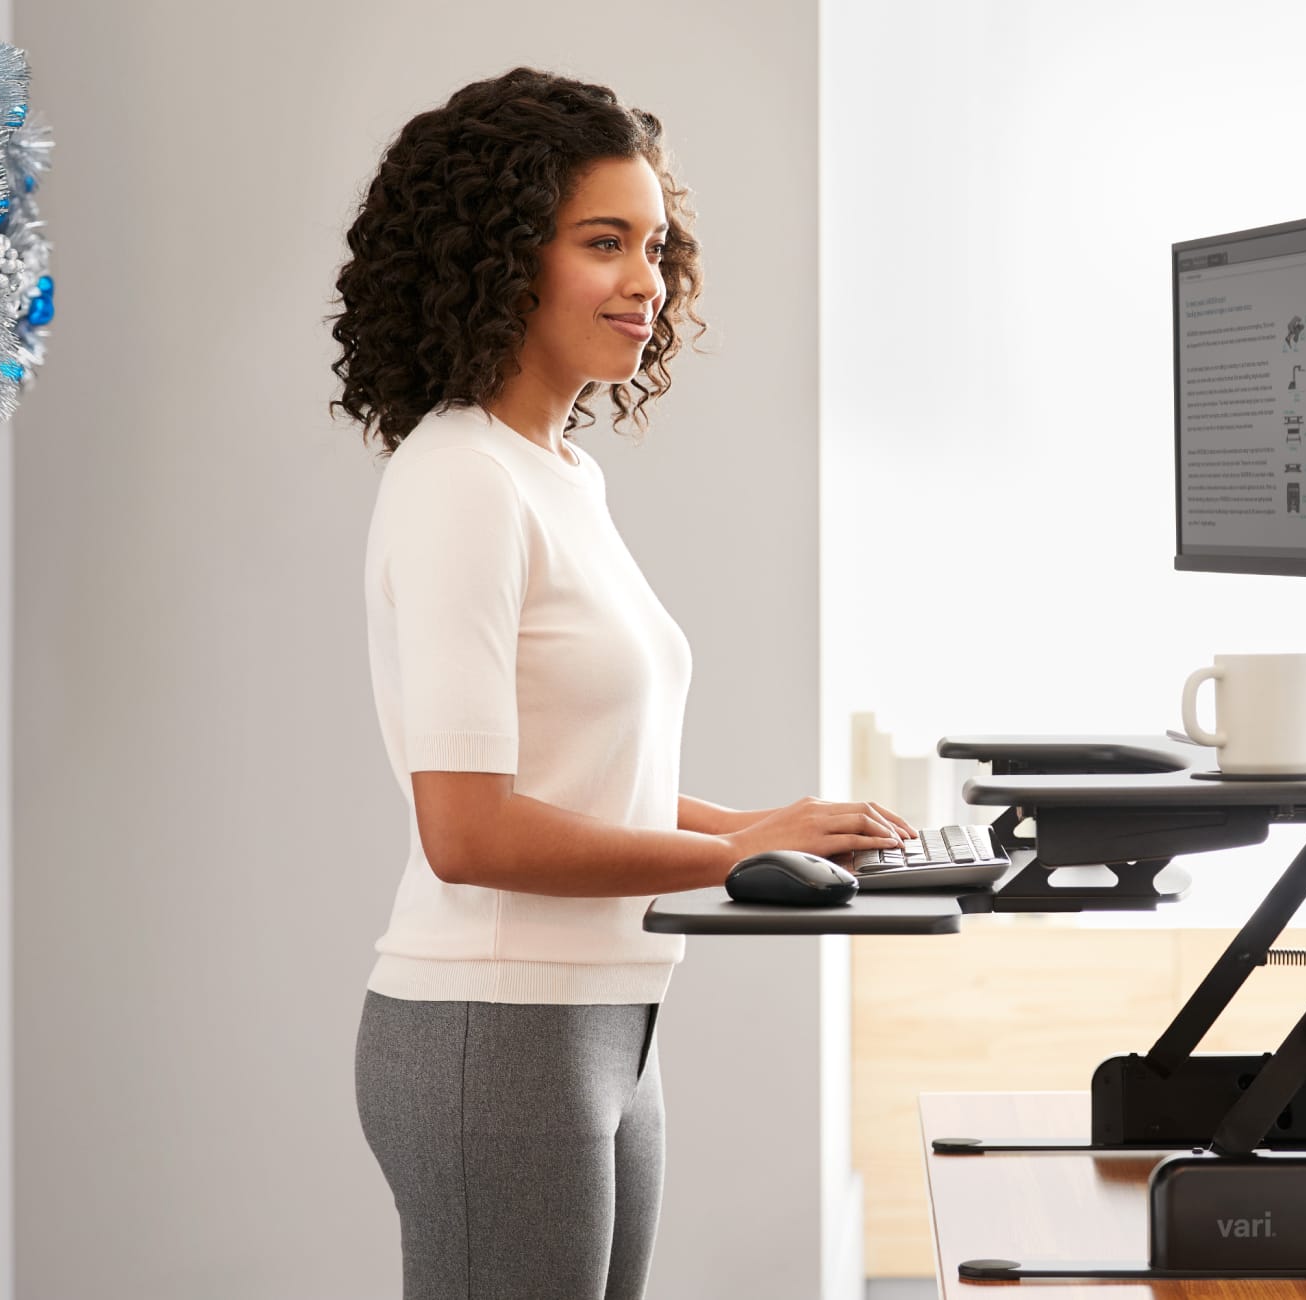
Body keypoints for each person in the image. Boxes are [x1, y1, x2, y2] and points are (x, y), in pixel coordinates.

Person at [328, 67, 911, 1299]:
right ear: (500, 254)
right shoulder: (459, 482)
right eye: (605, 243)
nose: (646, 282)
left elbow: (585, 774)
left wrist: (755, 825)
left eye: (654, 245)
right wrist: (738, 862)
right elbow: (468, 828)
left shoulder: (558, 474)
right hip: (493, 1029)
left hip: (607, 1020)